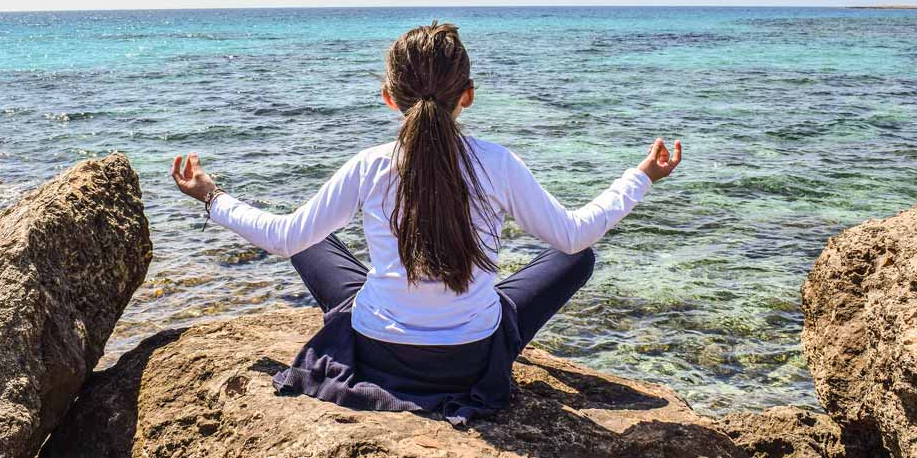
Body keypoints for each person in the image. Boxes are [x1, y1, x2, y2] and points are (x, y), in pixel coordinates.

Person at [171, 21, 681, 425]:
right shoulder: (497, 162)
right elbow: (574, 234)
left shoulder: (370, 164)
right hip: (470, 358)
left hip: (379, 351)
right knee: (577, 256)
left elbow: (282, 237)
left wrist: (210, 196)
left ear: (390, 97)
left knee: (307, 238)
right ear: (469, 95)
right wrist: (640, 178)